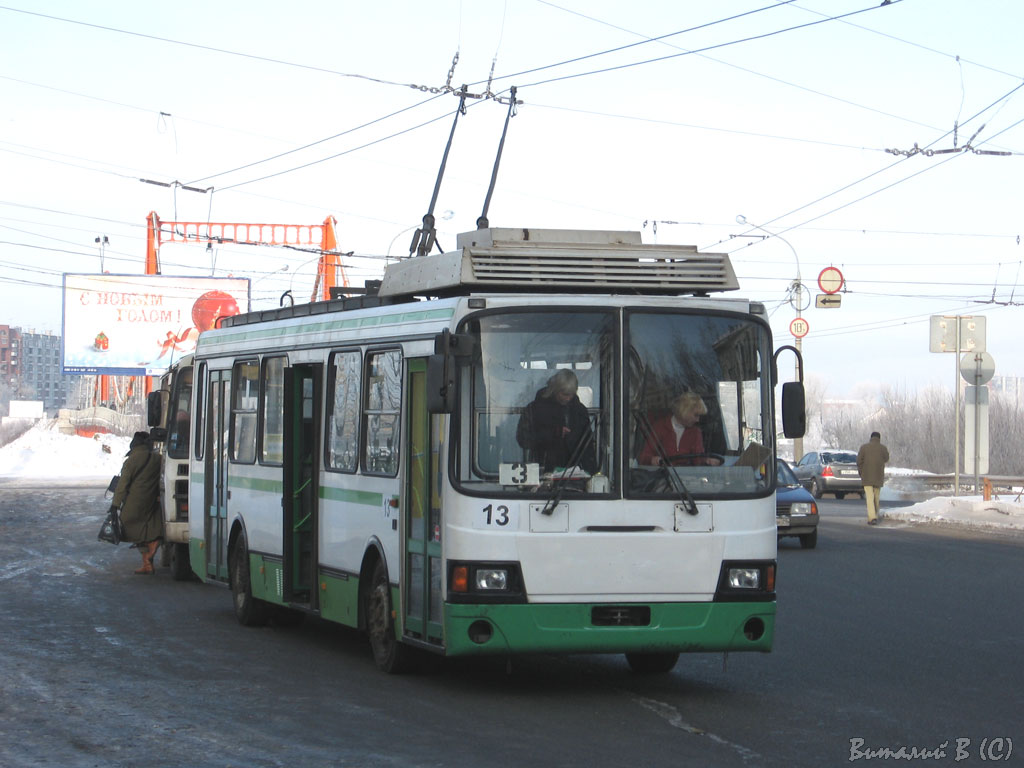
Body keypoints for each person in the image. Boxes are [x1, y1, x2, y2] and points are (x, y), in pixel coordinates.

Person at [516, 370, 598, 474]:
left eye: (571, 394)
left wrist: (592, 474)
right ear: (554, 390)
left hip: (574, 475)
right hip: (541, 472)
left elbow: (587, 446)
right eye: (564, 394)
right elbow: (523, 439)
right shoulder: (534, 409)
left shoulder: (580, 411)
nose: (568, 398)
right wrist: (553, 433)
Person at [110, 431, 163, 574]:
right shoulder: (158, 459)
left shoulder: (132, 460)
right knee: (148, 524)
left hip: (134, 500)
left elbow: (122, 485)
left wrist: (115, 505)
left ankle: (151, 547)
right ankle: (147, 563)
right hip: (152, 499)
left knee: (128, 525)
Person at [637, 391, 715, 466]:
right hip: (662, 477)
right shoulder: (660, 427)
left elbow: (699, 461)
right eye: (696, 415)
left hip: (686, 477)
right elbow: (643, 457)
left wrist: (708, 461)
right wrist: (652, 459)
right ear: (684, 411)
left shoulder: (695, 432)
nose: (698, 420)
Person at [857, 431, 890, 525]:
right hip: (878, 476)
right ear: (879, 438)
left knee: (869, 497)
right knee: (876, 497)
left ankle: (872, 517)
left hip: (866, 476)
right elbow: (886, 458)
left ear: (871, 438)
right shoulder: (883, 448)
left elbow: (859, 461)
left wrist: (861, 472)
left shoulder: (864, 447)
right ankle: (875, 514)